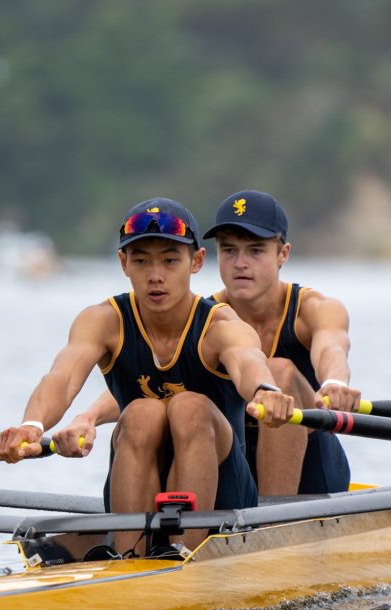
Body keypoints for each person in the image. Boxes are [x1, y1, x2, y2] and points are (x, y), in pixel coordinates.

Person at [0, 197, 296, 556]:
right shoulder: (103, 320)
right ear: (123, 263)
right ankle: (128, 560)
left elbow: (249, 361)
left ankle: (184, 553)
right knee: (140, 412)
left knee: (189, 407)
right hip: (133, 490)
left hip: (224, 498)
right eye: (141, 261)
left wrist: (264, 390)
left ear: (196, 261)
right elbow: (61, 377)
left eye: (170, 261)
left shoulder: (221, 324)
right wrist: (32, 425)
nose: (155, 276)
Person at [54, 190, 359, 497]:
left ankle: (270, 523)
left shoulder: (315, 309)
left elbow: (331, 347)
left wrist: (335, 382)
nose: (240, 263)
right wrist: (88, 417)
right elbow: (150, 383)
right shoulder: (207, 319)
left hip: (312, 469)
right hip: (233, 460)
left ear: (283, 254)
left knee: (278, 371)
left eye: (255, 251)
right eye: (228, 251)